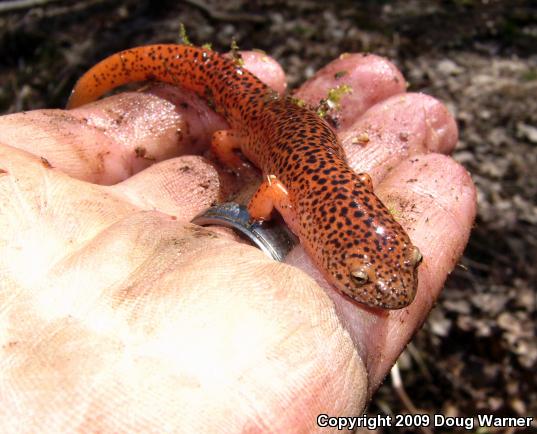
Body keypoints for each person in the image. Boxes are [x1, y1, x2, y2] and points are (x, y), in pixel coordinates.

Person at [0, 50, 475, 431]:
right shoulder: (298, 200)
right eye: (358, 277)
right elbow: (270, 191)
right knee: (228, 137)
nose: (387, 294)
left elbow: (324, 188)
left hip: (284, 122)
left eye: (407, 258)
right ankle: (121, 78)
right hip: (253, 116)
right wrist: (246, 205)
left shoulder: (335, 201)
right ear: (320, 237)